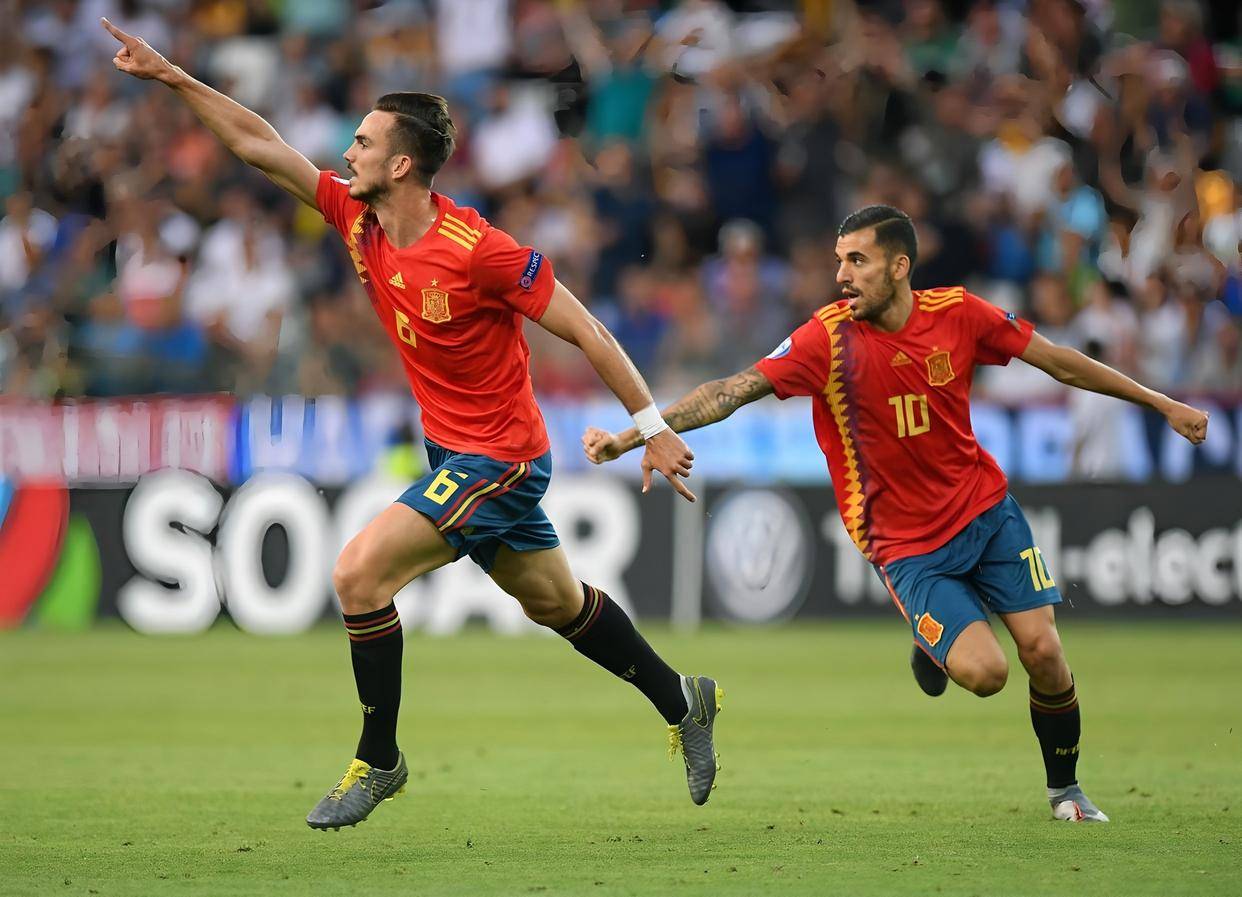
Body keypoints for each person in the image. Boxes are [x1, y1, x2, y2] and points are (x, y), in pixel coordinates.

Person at [102, 17, 724, 830]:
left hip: (499, 458)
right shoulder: (355, 217)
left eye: (362, 142)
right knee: (558, 603)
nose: (346, 151)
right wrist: (172, 76)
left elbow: (588, 330)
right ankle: (683, 698)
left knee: (359, 574)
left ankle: (380, 757)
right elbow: (259, 145)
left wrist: (651, 425)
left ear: (401, 164)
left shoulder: (478, 249)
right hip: (453, 450)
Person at [584, 205, 1210, 823]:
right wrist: (636, 435)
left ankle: (1066, 791)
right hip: (906, 545)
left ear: (899, 266)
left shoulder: (959, 314)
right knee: (987, 674)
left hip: (987, 511)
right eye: (840, 261)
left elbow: (1057, 360)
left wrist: (1161, 403)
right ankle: (931, 641)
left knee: (1044, 652)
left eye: (857, 260)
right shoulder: (826, 339)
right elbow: (731, 389)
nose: (842, 275)